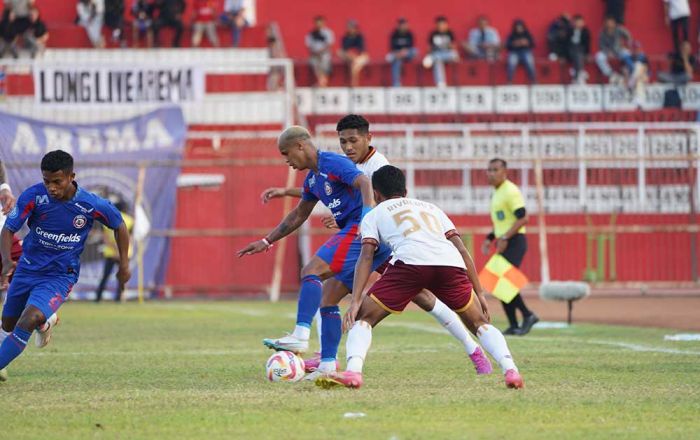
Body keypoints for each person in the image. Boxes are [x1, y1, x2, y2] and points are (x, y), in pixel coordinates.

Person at [261, 115, 493, 377]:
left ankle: (473, 349)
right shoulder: (346, 164)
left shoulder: (377, 167)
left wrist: (360, 220)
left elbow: (384, 200)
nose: (348, 147)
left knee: (424, 297)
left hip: (385, 241)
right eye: (343, 142)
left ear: (367, 138)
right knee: (328, 294)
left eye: (353, 140)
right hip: (363, 241)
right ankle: (326, 360)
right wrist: (288, 192)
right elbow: (326, 186)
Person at [315, 165, 524, 390]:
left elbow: (366, 256)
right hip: (449, 264)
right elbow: (462, 250)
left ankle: (353, 372)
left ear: (375, 194)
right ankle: (511, 370)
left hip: (410, 265)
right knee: (480, 323)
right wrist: (479, 293)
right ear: (405, 191)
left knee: (364, 319)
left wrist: (355, 301)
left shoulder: (374, 213)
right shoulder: (432, 208)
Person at [238, 126, 392, 374]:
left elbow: (364, 181)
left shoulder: (331, 162)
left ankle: (300, 334)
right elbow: (299, 214)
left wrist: (365, 215)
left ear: (300, 145)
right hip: (364, 235)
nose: (287, 161)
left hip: (361, 229)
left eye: (286, 154)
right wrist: (267, 241)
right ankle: (328, 365)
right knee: (327, 298)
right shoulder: (312, 179)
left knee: (311, 270)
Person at [0, 150, 131, 381]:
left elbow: (119, 224)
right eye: (46, 181)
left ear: (71, 177)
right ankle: (47, 320)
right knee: (8, 323)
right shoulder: (34, 196)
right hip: (27, 270)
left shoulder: (88, 204)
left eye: (57, 181)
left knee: (27, 320)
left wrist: (124, 264)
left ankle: (39, 319)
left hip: (60, 276)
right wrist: (7, 260)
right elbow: (9, 228)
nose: (51, 187)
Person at [481, 158, 538, 336]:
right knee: (496, 282)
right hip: (505, 241)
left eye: (495, 170)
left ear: (505, 172)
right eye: (489, 170)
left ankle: (528, 315)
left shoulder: (510, 191)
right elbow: (502, 221)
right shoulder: (496, 192)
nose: (491, 173)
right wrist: (490, 238)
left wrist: (505, 237)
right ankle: (514, 324)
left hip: (515, 242)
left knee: (504, 283)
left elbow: (523, 218)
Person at [95, 200, 133, 302]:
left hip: (111, 252)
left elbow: (105, 238)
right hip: (124, 253)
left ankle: (98, 297)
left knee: (105, 276)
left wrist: (114, 249)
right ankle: (119, 298)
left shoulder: (108, 218)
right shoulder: (129, 220)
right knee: (122, 276)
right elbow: (130, 238)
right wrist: (120, 250)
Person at [595, 16, 633, 84]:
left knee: (627, 53)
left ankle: (627, 71)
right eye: (608, 23)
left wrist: (628, 44)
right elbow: (601, 45)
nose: (609, 24)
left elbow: (628, 35)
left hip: (618, 50)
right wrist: (607, 52)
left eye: (611, 23)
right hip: (607, 52)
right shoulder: (602, 32)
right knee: (599, 56)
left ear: (614, 23)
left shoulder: (619, 29)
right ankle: (611, 74)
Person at [423, 16, 459, 87]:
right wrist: (430, 52)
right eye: (439, 25)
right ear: (437, 25)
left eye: (443, 24)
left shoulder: (449, 33)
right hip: (437, 53)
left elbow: (454, 47)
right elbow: (429, 48)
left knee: (453, 55)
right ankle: (440, 83)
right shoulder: (433, 34)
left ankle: (431, 58)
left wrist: (448, 45)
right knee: (438, 60)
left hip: (448, 54)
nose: (441, 26)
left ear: (446, 25)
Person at [386, 18, 417, 87]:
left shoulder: (409, 34)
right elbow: (392, 48)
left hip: (408, 54)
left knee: (415, 51)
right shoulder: (394, 34)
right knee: (395, 60)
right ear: (398, 26)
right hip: (397, 55)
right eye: (402, 25)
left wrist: (404, 51)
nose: (403, 27)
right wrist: (400, 53)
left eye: (405, 25)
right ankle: (396, 84)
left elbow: (411, 47)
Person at [337, 19, 368, 87]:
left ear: (355, 28)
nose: (350, 29)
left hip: (360, 57)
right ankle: (354, 84)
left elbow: (361, 50)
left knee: (354, 66)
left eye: (351, 27)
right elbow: (344, 49)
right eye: (349, 27)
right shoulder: (345, 37)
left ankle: (354, 84)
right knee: (339, 52)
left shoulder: (359, 37)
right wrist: (350, 54)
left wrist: (354, 55)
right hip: (350, 57)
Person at [305, 16, 334, 87]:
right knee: (315, 63)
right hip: (314, 55)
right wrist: (315, 52)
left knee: (325, 64)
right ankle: (322, 83)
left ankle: (323, 83)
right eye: (317, 23)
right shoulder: (311, 34)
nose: (318, 25)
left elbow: (329, 44)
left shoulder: (328, 33)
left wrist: (321, 52)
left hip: (325, 54)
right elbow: (309, 45)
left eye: (320, 23)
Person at [505, 19, 536, 83]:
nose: (519, 29)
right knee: (511, 62)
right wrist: (514, 44)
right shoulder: (511, 35)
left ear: (523, 27)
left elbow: (533, 44)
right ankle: (510, 81)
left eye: (520, 27)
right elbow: (507, 45)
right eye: (517, 27)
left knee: (529, 62)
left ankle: (533, 80)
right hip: (514, 52)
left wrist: (526, 43)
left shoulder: (527, 34)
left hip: (526, 51)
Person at [568, 14, 591, 84]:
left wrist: (587, 54)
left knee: (578, 54)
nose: (578, 24)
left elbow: (587, 44)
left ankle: (576, 76)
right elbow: (566, 43)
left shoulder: (586, 32)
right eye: (577, 22)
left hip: (581, 50)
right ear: (574, 23)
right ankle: (580, 74)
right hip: (571, 50)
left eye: (580, 22)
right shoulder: (569, 31)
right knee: (577, 53)